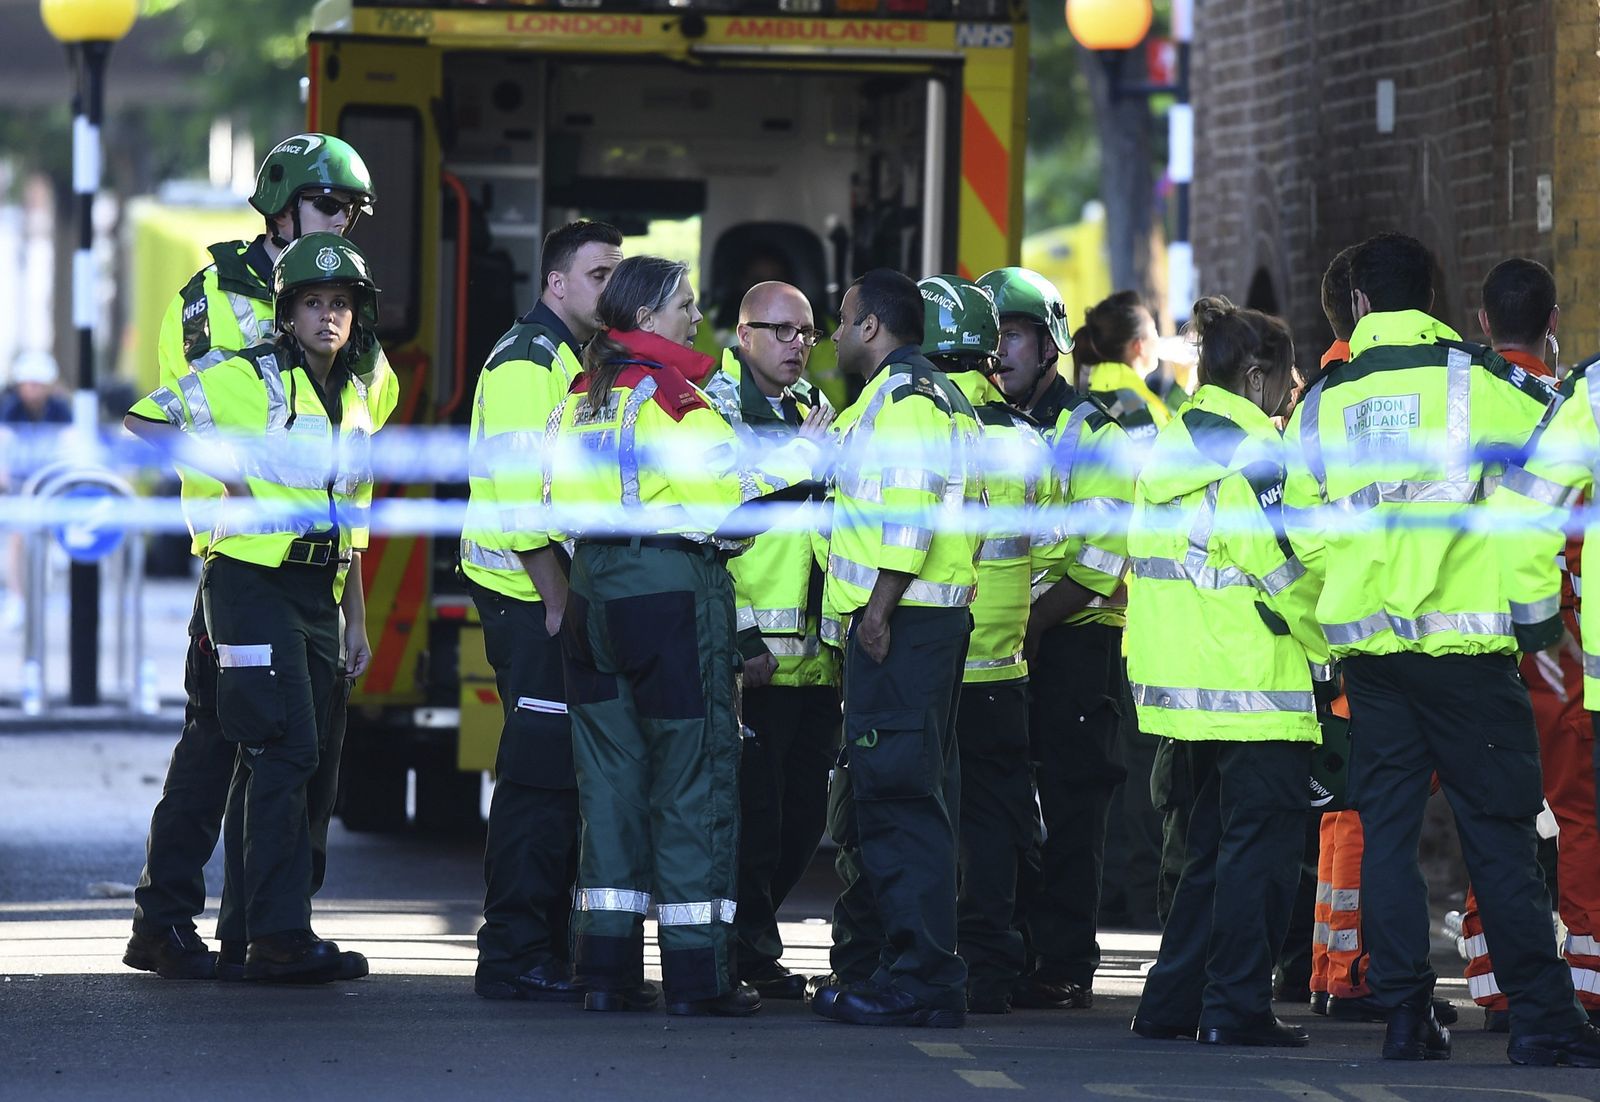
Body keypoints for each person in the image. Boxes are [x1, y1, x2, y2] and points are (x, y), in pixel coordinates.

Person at [1285, 231, 1597, 1065]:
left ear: (1358, 305)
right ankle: (1540, 1019)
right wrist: (1533, 611)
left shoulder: (1323, 401)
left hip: (1373, 662)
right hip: (1467, 655)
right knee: (1497, 833)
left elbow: (1299, 535)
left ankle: (1403, 1017)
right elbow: (1558, 466)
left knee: (1385, 835)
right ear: (1436, 297)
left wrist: (1345, 601)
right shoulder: (1478, 382)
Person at [123, 133, 389, 982]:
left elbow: (357, 451)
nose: (342, 219)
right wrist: (237, 493)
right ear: (281, 208)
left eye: (351, 210)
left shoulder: (352, 320)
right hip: (241, 564)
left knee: (286, 752)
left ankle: (262, 928)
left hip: (317, 569)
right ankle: (179, 923)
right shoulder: (218, 300)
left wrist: (355, 599)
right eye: (327, 205)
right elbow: (180, 418)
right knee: (226, 744)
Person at [548, 255, 830, 1016]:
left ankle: (603, 972)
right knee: (693, 784)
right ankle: (699, 979)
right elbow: (727, 495)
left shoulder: (581, 394)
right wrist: (807, 456)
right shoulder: (676, 397)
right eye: (684, 305)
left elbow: (541, 501)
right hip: (670, 597)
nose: (694, 320)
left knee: (608, 788)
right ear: (645, 317)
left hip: (591, 595)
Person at [1126, 296, 1326, 1049]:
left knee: (1208, 851)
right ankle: (1236, 1006)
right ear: (1253, 375)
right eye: (1284, 375)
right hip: (1258, 686)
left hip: (1185, 692)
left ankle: (1172, 1002)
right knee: (1262, 856)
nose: (1294, 385)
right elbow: (1289, 579)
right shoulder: (1257, 459)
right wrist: (1338, 649)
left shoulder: (1172, 446)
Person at [809, 268, 984, 1029]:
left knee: (899, 802)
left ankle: (919, 979)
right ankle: (905, 966)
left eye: (843, 320)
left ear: (873, 328)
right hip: (921, 629)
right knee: (910, 796)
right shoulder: (920, 397)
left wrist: (877, 611)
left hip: (901, 628)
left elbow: (906, 516)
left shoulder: (906, 404)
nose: (835, 332)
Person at [460, 219, 624, 1002]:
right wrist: (559, 601)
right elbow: (525, 495)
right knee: (537, 779)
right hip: (532, 600)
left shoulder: (567, 357)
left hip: (545, 596)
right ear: (557, 282)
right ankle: (515, 953)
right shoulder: (531, 360)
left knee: (557, 776)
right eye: (599, 273)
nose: (611, 288)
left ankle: (540, 947)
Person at [977, 265, 1135, 1010]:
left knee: (1072, 807)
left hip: (1071, 645)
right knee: (1004, 805)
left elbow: (1101, 565)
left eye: (1010, 334)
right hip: (1006, 647)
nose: (996, 350)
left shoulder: (1095, 433)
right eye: (988, 335)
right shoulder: (980, 425)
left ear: (1050, 345)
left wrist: (1030, 625)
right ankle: (1009, 948)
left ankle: (1064, 961)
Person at [1469, 257, 1600, 1033]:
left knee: (1501, 812)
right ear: (1552, 323)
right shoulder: (1554, 402)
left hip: (1496, 638)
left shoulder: (1459, 402)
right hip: (1566, 645)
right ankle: (1585, 980)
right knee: (1577, 814)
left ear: (1483, 322)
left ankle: (1495, 983)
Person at [916, 274, 1053, 1014]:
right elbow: (1053, 550)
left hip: (924, 659)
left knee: (916, 811)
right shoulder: (1026, 440)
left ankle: (913, 955)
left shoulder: (915, 420)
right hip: (1002, 661)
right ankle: (991, 968)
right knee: (995, 822)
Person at [703, 280, 839, 1001]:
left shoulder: (813, 411)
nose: (797, 346)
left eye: (808, 333)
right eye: (782, 331)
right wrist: (741, 635)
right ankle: (744, 949)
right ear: (742, 334)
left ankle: (753, 939)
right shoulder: (715, 412)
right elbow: (715, 529)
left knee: (800, 821)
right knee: (754, 822)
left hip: (815, 659)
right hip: (756, 658)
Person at [0, 350, 72, 627]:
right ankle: (17, 598)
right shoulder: (10, 408)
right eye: (29, 384)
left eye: (39, 384)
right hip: (20, 487)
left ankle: (48, 595)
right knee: (18, 537)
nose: (33, 390)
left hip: (52, 484)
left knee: (54, 537)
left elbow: (72, 443)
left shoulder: (60, 408)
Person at [1073, 290, 1170, 443]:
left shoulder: (1096, 390)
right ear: (1139, 346)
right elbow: (1171, 458)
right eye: (1154, 330)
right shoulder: (1132, 405)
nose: (1159, 339)